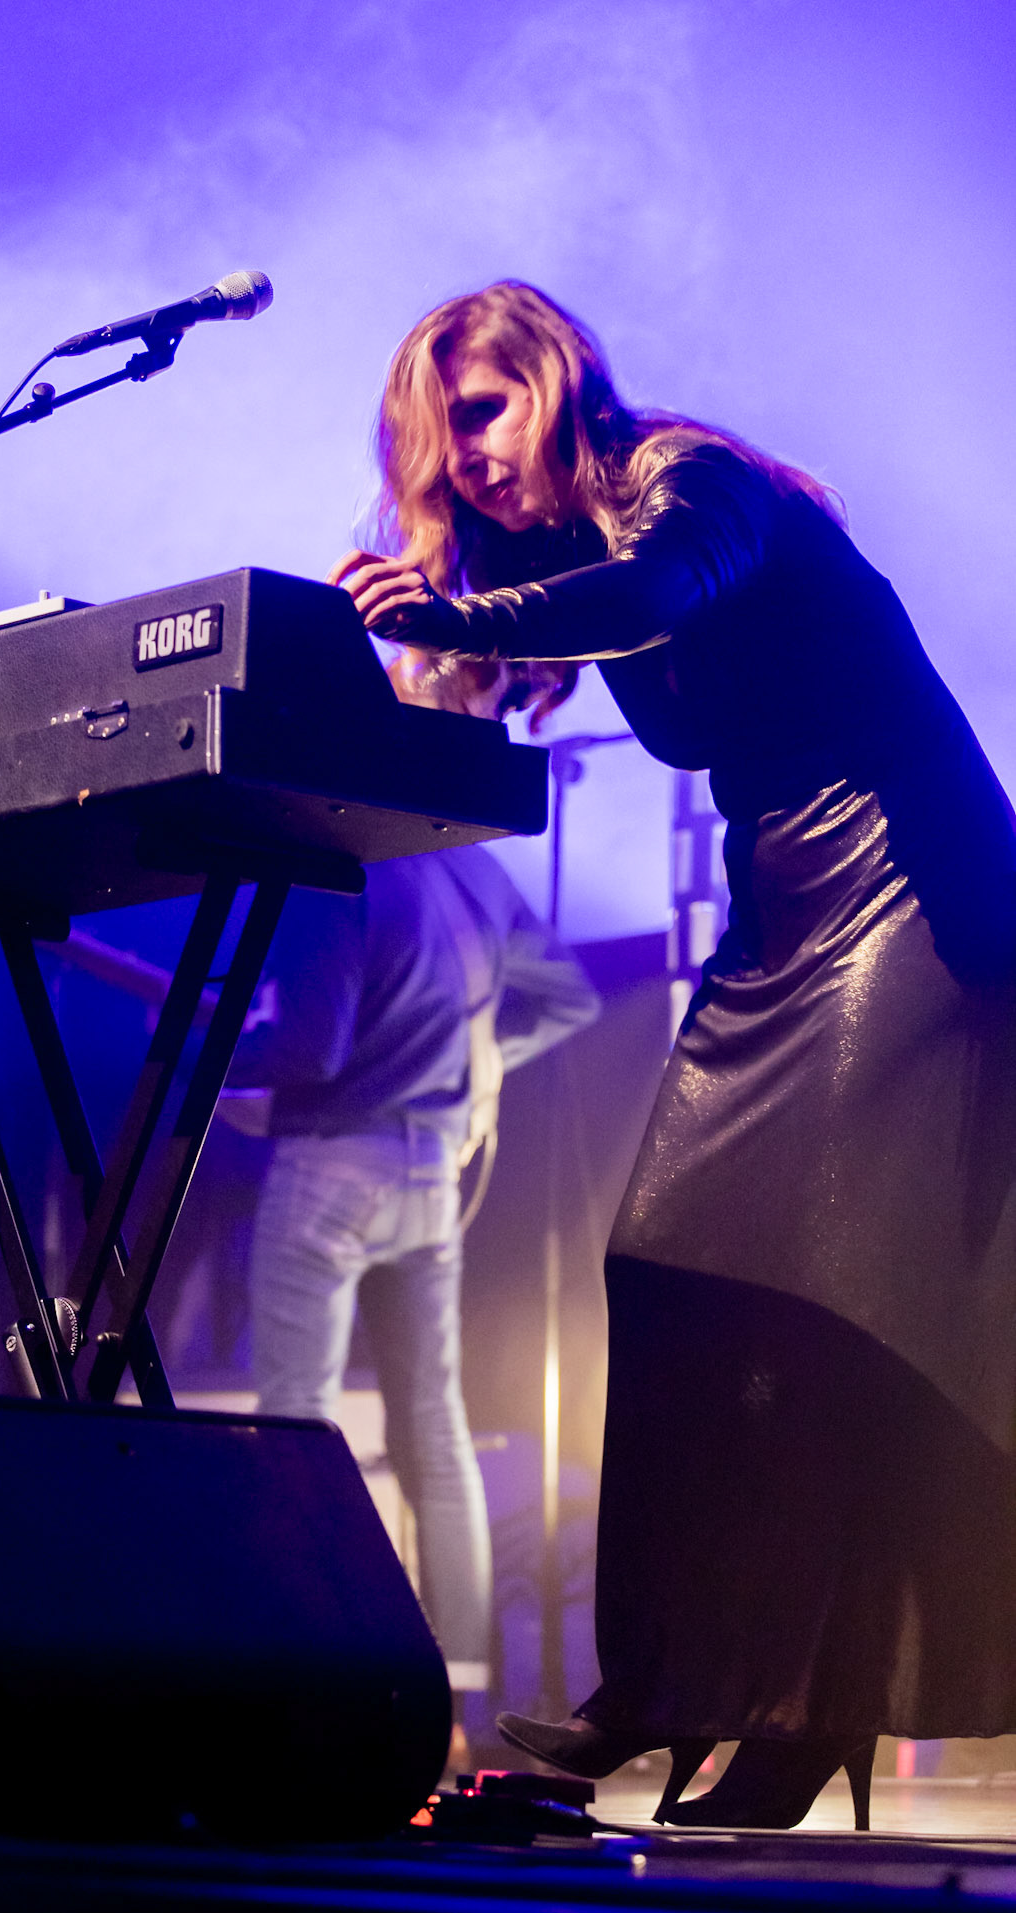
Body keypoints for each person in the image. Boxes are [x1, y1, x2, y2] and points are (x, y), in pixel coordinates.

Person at [333, 281, 1016, 1828]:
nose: (473, 458)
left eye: (488, 411)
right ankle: (678, 1686)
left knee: (834, 1306)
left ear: (555, 378)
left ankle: (772, 1714)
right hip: (786, 910)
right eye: (446, 442)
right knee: (665, 1269)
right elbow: (498, 687)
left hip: (916, 891)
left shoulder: (689, 485)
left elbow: (646, 600)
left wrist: (435, 607)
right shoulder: (561, 554)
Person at [228, 837, 598, 1746]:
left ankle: (307, 1675)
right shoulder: (469, 864)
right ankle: (463, 1706)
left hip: (331, 1162)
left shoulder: (338, 857)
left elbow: (311, 1051)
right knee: (434, 1433)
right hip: (431, 1167)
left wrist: (219, 1057)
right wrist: (474, 1061)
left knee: (294, 1426)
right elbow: (569, 997)